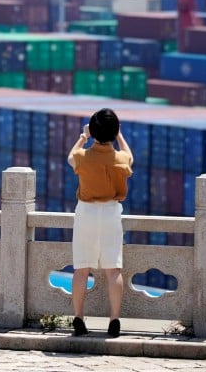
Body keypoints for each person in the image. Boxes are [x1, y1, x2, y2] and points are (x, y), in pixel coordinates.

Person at [66, 108, 133, 338]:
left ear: (93, 132)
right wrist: (120, 136)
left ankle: (78, 318)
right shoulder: (121, 159)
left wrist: (83, 137)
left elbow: (70, 156)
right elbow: (128, 155)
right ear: (114, 132)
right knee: (113, 269)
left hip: (86, 212)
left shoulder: (82, 158)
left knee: (81, 269)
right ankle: (114, 321)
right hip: (111, 213)